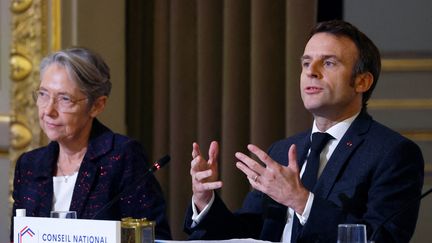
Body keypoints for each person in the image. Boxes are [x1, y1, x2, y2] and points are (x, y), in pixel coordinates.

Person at [184, 20, 424, 242]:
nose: (311, 72)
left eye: (328, 63)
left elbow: (381, 238)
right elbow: (247, 233)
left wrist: (300, 200)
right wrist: (205, 202)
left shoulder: (393, 154)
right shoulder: (282, 150)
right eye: (306, 63)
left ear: (362, 82)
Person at [11, 47, 171, 240]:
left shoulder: (121, 157)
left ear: (97, 106)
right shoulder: (29, 165)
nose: (48, 110)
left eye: (64, 99)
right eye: (43, 94)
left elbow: (154, 237)